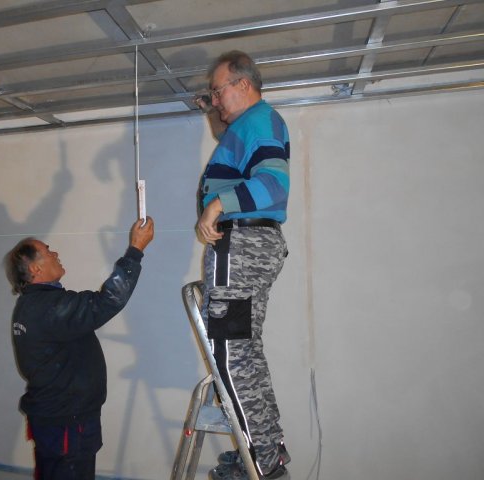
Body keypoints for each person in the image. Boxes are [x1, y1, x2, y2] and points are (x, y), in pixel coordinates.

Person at [195, 50, 291, 480]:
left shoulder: (259, 121)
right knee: (244, 350)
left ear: (244, 84)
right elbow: (225, 128)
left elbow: (273, 184)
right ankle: (267, 448)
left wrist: (217, 204)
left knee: (230, 352)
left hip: (242, 246)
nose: (216, 101)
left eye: (219, 91)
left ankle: (261, 460)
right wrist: (212, 108)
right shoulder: (249, 125)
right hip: (251, 246)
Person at [4, 217, 154, 480]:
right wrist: (135, 250)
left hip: (58, 416)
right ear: (35, 268)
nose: (55, 254)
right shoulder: (50, 307)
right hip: (67, 420)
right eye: (48, 251)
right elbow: (107, 301)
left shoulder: (32, 305)